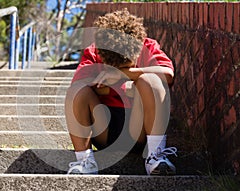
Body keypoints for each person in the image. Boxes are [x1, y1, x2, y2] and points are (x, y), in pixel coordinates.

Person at [65, 8, 177, 175]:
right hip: (105, 129)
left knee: (152, 80)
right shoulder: (94, 51)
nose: (121, 68)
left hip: (139, 130)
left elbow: (168, 74)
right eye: (114, 66)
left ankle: (156, 155)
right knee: (77, 91)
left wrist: (126, 75)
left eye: (127, 65)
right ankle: (85, 161)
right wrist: (114, 87)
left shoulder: (147, 46)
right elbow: (79, 87)